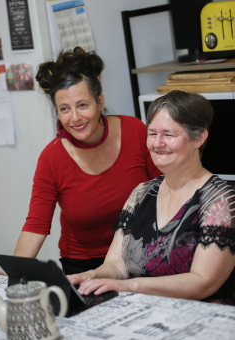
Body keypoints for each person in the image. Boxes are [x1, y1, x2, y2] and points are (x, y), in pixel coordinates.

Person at [68, 90, 235, 305]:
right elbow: (116, 266)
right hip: (142, 311)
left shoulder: (220, 200)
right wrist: (91, 276)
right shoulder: (141, 193)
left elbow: (203, 283)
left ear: (199, 138)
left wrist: (130, 286)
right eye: (152, 133)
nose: (157, 143)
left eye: (168, 134)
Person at [13, 46, 161, 274]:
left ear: (99, 102)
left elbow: (165, 189)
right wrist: (13, 276)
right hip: (84, 264)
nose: (75, 118)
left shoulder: (135, 130)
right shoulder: (51, 158)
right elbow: (36, 225)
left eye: (82, 105)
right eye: (64, 109)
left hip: (144, 251)